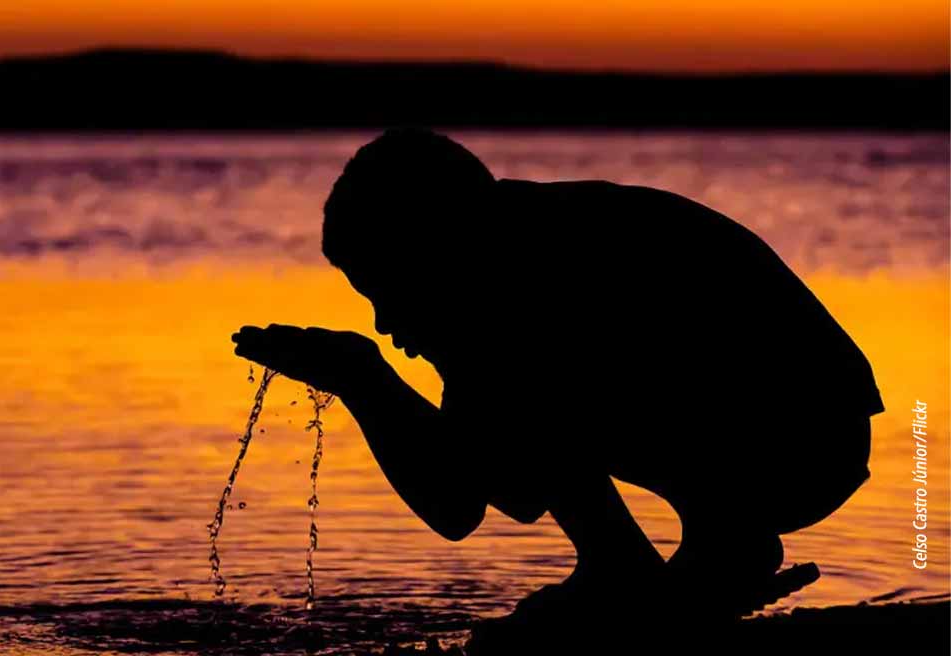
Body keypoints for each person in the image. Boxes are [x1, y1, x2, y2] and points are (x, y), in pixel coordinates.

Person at [231, 128, 883, 637]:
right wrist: (362, 378)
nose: (386, 323)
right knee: (538, 393)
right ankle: (707, 552)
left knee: (540, 389)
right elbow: (469, 494)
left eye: (387, 292)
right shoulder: (501, 247)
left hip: (803, 439)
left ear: (430, 248)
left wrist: (366, 378)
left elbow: (479, 494)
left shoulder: (521, 272)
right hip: (799, 432)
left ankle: (637, 569)